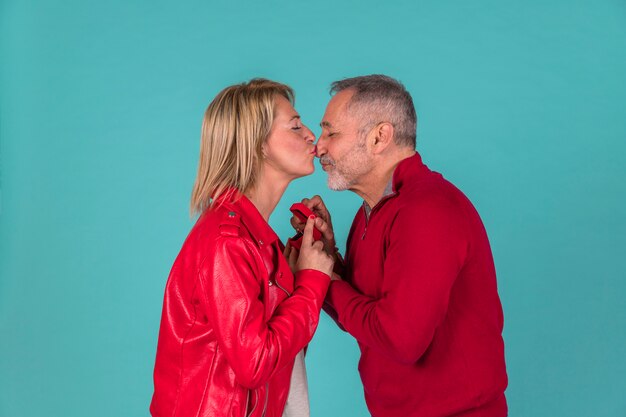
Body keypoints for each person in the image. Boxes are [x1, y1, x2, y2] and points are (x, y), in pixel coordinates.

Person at [293, 75, 508, 416]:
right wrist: (327, 259)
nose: (319, 146)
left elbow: (400, 340)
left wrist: (323, 279)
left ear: (380, 137)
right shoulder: (373, 211)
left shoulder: (427, 210)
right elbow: (367, 317)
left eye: (331, 133)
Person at [150, 79, 334, 417]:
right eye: (295, 126)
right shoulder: (228, 242)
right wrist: (309, 284)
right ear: (258, 144)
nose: (311, 135)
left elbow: (284, 351)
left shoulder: (257, 240)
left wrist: (301, 267)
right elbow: (257, 363)